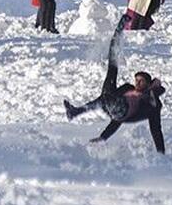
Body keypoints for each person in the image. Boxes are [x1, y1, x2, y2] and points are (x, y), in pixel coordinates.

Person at [63, 25, 166, 153]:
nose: (137, 83)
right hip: (112, 106)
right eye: (136, 80)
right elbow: (116, 120)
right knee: (109, 79)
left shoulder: (150, 100)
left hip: (122, 109)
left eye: (141, 81)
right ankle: (117, 36)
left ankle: (75, 112)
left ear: (148, 83)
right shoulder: (128, 88)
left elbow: (156, 129)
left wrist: (161, 152)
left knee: (111, 77)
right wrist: (103, 138)